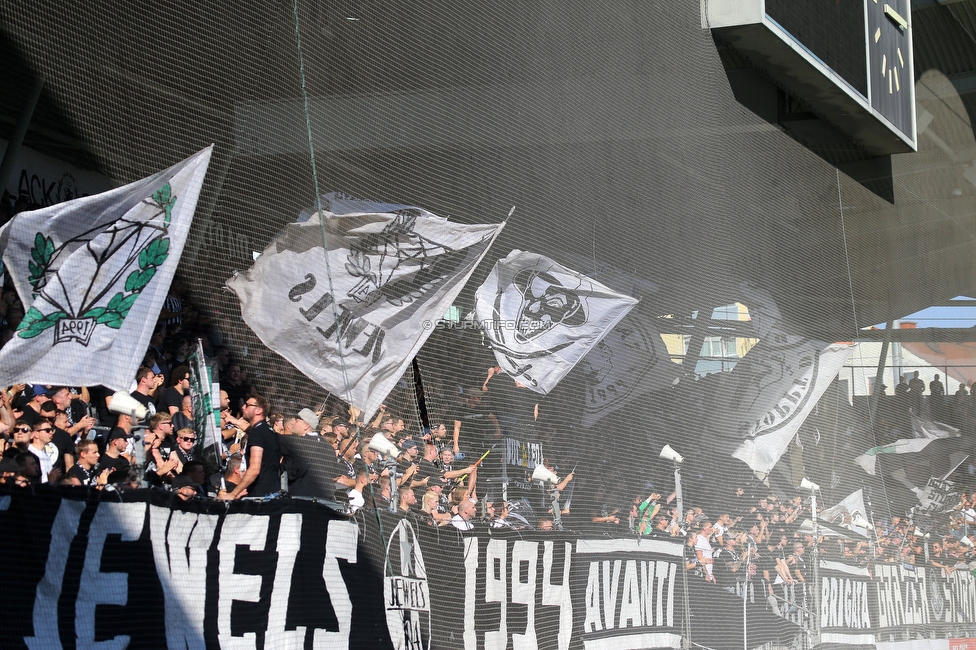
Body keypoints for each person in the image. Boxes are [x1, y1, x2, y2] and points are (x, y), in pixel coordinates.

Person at [219, 395, 280, 499]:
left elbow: (254, 469)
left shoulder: (257, 433)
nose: (243, 407)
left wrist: (233, 494)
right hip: (272, 492)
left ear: (258, 410)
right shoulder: (266, 431)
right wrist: (236, 421)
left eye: (247, 405)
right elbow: (252, 432)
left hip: (260, 496)